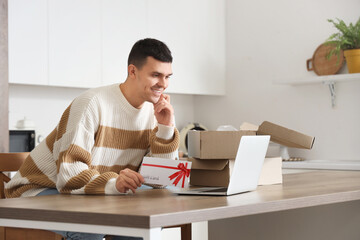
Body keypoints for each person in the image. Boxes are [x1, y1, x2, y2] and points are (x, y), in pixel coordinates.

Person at [5, 38, 179, 240]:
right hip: (36, 191)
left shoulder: (155, 112)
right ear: (132, 71)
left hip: (89, 195)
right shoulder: (92, 103)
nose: (164, 84)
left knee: (140, 225)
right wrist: (115, 183)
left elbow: (160, 181)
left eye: (168, 76)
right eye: (156, 75)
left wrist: (166, 127)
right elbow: (69, 178)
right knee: (91, 226)